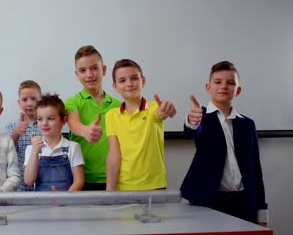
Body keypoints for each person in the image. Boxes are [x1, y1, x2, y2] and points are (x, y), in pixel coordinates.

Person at [180, 61, 268, 225]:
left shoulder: (247, 124)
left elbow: (256, 169)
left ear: (238, 90)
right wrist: (192, 121)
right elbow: (192, 132)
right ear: (208, 88)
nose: (224, 86)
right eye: (218, 82)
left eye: (231, 82)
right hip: (210, 201)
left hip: (244, 201)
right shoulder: (201, 117)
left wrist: (261, 210)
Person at [105, 59, 177, 191]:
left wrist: (166, 109)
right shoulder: (111, 115)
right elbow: (114, 154)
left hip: (154, 186)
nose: (129, 84)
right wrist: (109, 191)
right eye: (122, 80)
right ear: (115, 86)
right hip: (124, 186)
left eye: (134, 78)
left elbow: (160, 113)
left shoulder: (154, 107)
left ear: (142, 81)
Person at [65, 45, 121, 190]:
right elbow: (73, 122)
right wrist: (85, 130)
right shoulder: (72, 102)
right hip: (81, 180)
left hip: (115, 179)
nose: (89, 75)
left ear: (104, 70)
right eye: (82, 71)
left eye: (94, 68)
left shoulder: (119, 106)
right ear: (76, 74)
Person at [24, 93, 85, 191]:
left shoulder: (73, 147)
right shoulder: (31, 148)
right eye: (40, 119)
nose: (44, 123)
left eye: (50, 119)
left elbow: (79, 181)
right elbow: (29, 181)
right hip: (40, 204)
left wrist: (63, 199)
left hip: (67, 204)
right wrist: (35, 151)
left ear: (63, 120)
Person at [5, 80, 42, 191]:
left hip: (42, 182)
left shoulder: (46, 125)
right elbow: (5, 151)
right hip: (19, 184)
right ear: (19, 103)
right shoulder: (12, 127)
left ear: (41, 100)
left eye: (33, 99)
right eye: (25, 100)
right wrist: (17, 133)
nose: (29, 103)